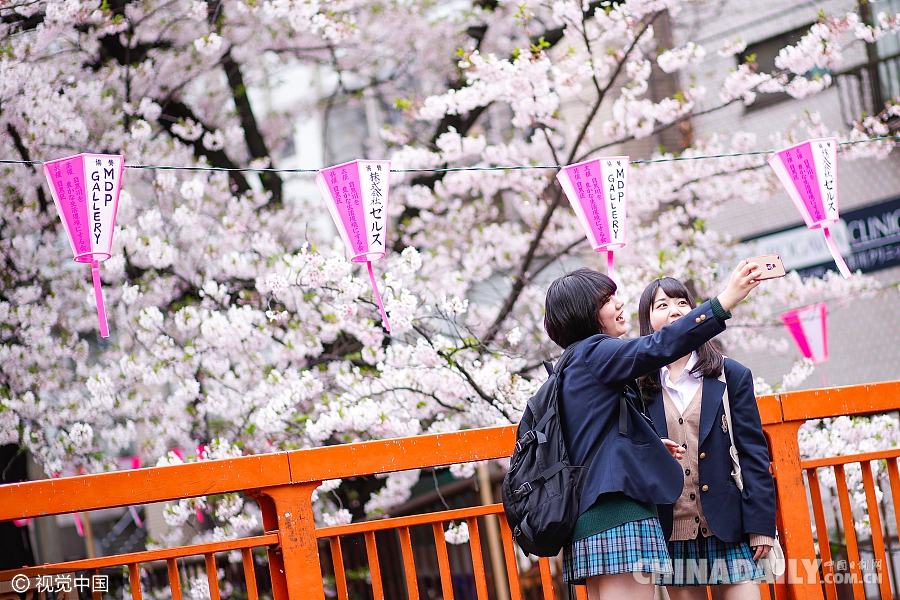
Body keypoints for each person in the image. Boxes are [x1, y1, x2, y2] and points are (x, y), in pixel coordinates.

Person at [543, 260, 760, 600]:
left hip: (587, 518)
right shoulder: (597, 352)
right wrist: (725, 300)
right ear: (587, 312)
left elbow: (593, 439)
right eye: (607, 300)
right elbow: (658, 347)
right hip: (619, 515)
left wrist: (648, 446)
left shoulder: (570, 364)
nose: (619, 304)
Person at [636, 276, 777, 600]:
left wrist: (761, 525)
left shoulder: (731, 375)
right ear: (648, 321)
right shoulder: (638, 386)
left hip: (730, 528)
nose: (674, 310)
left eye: (682, 302)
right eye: (662, 305)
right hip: (673, 532)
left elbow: (753, 451)